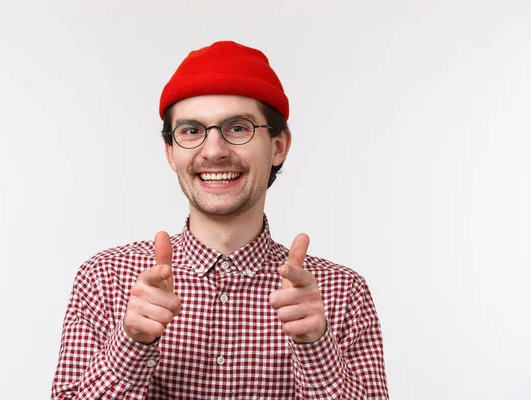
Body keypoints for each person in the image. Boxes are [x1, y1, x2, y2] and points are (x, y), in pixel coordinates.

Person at [51, 41, 389, 399]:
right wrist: (131, 344)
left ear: (278, 146)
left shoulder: (341, 292)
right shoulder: (105, 280)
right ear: (170, 151)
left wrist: (316, 347)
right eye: (191, 131)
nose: (213, 151)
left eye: (239, 128)